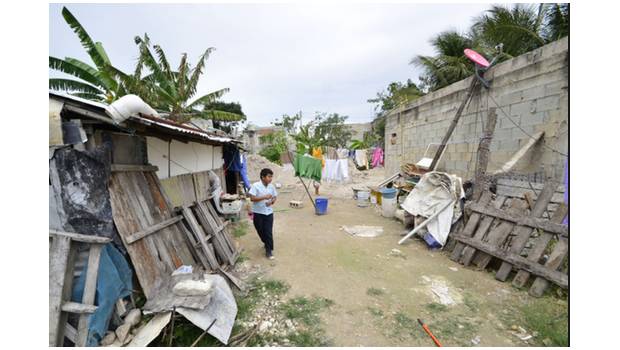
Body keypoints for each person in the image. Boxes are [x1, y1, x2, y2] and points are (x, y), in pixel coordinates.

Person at [248, 168, 278, 259]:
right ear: (263, 177)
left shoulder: (271, 187)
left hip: (269, 213)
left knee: (268, 231)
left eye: (271, 177)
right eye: (269, 176)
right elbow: (252, 198)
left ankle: (269, 251)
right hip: (258, 213)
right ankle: (266, 242)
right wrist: (264, 197)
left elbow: (274, 197)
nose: (270, 179)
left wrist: (272, 202)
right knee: (260, 230)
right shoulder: (255, 186)